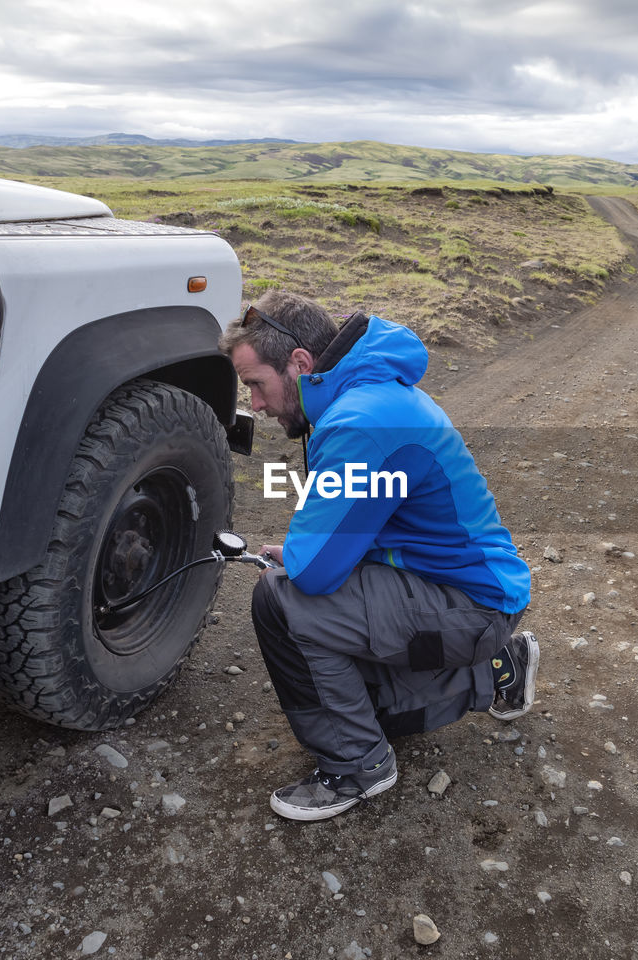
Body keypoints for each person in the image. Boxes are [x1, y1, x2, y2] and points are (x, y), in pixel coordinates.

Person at [218, 291, 538, 822]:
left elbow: (316, 572)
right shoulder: (366, 395)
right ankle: (498, 669)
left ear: (300, 364)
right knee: (354, 676)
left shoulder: (359, 421)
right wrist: (305, 554)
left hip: (471, 604)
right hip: (470, 591)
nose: (254, 404)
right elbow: (359, 520)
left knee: (283, 600)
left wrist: (300, 560)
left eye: (255, 384)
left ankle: (357, 766)